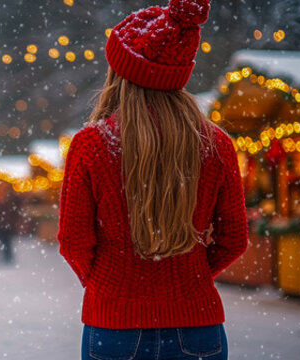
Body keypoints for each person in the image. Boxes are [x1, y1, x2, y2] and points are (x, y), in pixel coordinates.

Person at [57, 1, 248, 359]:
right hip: (198, 327)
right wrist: (189, 277)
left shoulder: (91, 144)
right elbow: (234, 239)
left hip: (113, 326)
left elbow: (73, 241)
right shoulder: (216, 144)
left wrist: (107, 284)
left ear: (120, 71)